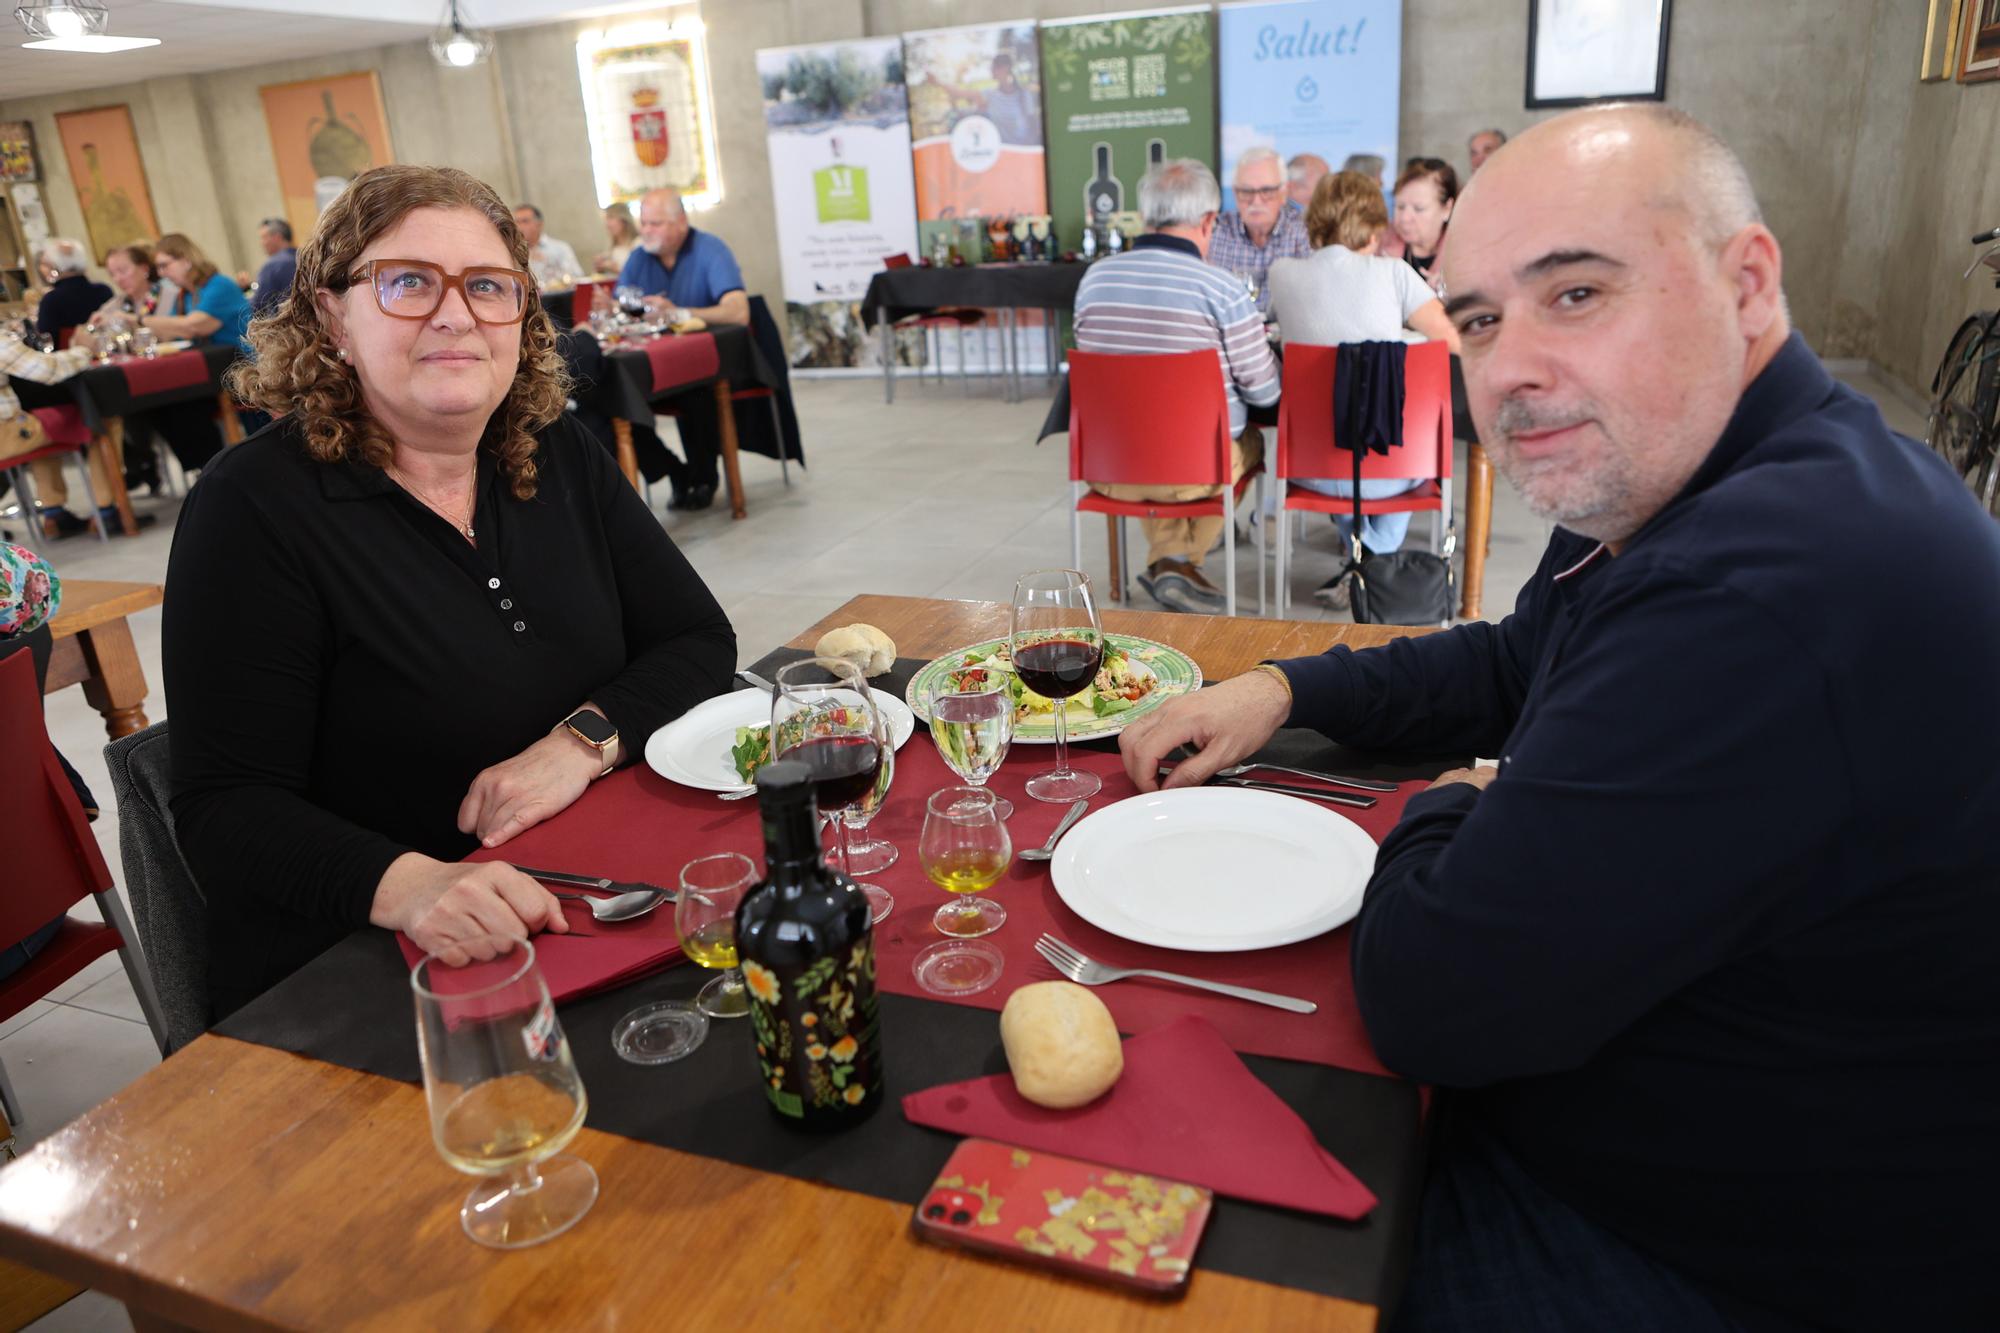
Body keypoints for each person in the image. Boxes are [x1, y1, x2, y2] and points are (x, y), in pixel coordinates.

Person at [1120, 104, 2000, 1332]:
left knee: (1183, 1248)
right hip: (1685, 1120)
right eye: (1476, 319)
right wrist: (1283, 688)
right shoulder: (1711, 476)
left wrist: (1447, 807)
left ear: (1746, 282)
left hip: (1723, 1250)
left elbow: (1432, 996)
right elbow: (1515, 660)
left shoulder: (1765, 584)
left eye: (1575, 294)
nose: (1508, 370)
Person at [167, 164, 737, 1020]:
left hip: (578, 895)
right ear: (332, 317)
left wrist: (580, 744)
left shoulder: (554, 449)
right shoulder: (253, 508)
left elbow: (698, 638)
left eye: (486, 285)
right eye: (406, 283)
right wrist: (412, 886)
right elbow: (225, 810)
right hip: (363, 962)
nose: (455, 314)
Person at [1073, 159, 1275, 615]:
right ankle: (1181, 560)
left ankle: (1170, 560)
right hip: (1194, 474)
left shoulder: (1093, 279)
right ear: (1208, 222)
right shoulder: (1221, 289)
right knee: (1246, 442)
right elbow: (1263, 391)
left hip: (1108, 469)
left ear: (1146, 215)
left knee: (1153, 442)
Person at [1266, 170, 1460, 608]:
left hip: (1309, 466)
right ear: (1374, 227)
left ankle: (1363, 561)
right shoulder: (1394, 273)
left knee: (1341, 432)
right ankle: (1375, 561)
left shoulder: (1282, 273)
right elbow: (1452, 338)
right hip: (1391, 469)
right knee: (1407, 434)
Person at [616, 187, 750, 509]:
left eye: (656, 224)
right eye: (644, 223)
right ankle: (672, 470)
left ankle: (704, 479)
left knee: (697, 394)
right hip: (654, 361)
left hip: (709, 363)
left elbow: (739, 311)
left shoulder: (710, 250)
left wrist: (679, 312)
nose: (646, 231)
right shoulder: (639, 256)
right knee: (613, 395)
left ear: (681, 222)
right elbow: (622, 304)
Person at [0, 320, 124, 537]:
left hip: (11, 430)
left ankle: (54, 514)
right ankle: (107, 511)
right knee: (101, 417)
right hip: (6, 435)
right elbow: (48, 369)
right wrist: (84, 349)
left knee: (45, 420)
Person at [1207, 146, 1309, 313]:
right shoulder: (1214, 233)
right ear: (1235, 193)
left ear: (1284, 192)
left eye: (1266, 191)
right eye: (1246, 191)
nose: (1256, 201)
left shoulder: (1305, 233)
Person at [144, 234, 251, 349]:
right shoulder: (184, 295)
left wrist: (144, 320)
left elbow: (192, 327)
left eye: (164, 265)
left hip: (244, 362)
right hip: (216, 361)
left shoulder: (220, 285)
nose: (161, 273)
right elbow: (169, 333)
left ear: (186, 260)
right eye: (158, 268)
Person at [31, 238, 112, 346]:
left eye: (46, 264)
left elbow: (47, 342)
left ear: (54, 266)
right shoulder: (103, 290)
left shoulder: (51, 300)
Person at [1392, 157, 1458, 288]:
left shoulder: (1463, 255)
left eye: (1419, 209)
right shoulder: (1377, 244)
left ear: (1447, 208)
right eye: (1400, 206)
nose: (1405, 218)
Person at [94, 243, 176, 320]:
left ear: (144, 269)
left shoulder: (173, 298)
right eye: (112, 274)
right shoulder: (112, 308)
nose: (118, 279)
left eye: (123, 271)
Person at [513, 203, 582, 289]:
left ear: (539, 224)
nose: (519, 227)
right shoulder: (513, 253)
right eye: (517, 222)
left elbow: (576, 277)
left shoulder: (560, 248)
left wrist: (547, 264)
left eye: (525, 221)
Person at [251, 217, 298, 316]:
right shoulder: (305, 257)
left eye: (264, 237)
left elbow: (257, 305)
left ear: (277, 237)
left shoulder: (272, 266)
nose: (262, 243)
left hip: (286, 323)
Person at [594, 201, 638, 275]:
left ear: (624, 220)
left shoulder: (638, 244)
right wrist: (600, 268)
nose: (607, 224)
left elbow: (638, 274)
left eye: (611, 218)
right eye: (606, 219)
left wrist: (615, 268)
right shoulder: (611, 247)